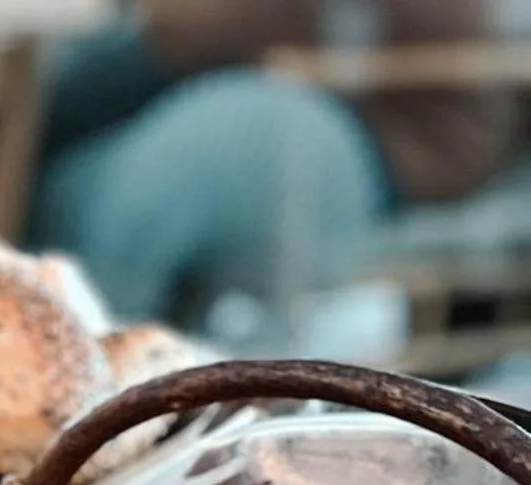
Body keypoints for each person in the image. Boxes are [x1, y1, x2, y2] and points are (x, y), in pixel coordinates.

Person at [30, 0, 528, 332]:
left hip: (385, 137)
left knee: (168, 166)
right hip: (326, 100)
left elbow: (197, 30)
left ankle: (87, 350)